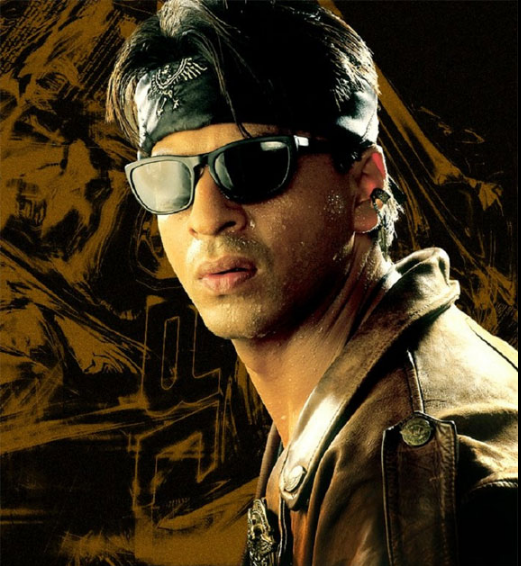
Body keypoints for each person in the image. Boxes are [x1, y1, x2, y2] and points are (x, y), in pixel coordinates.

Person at [106, 1, 518, 564]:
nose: (206, 217)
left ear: (363, 187)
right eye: (169, 179)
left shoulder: (405, 479)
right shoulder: (347, 408)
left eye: (253, 164)